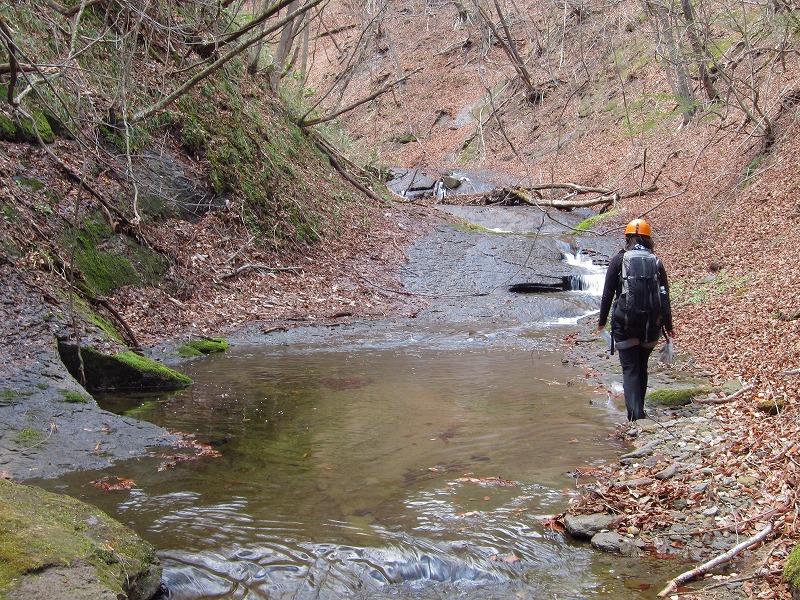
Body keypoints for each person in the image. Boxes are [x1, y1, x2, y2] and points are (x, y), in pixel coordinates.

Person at [597, 218, 675, 421]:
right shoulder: (656, 262)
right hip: (651, 325)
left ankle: (635, 416)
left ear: (627, 238)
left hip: (625, 323)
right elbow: (664, 294)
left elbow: (608, 294)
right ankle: (639, 411)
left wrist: (602, 321)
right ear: (648, 239)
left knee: (630, 367)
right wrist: (669, 325)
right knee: (641, 365)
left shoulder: (618, 260)